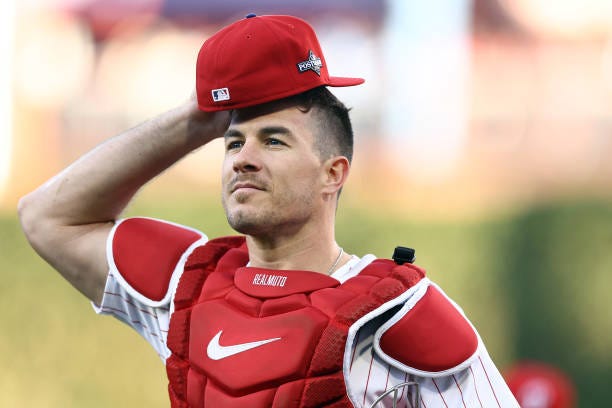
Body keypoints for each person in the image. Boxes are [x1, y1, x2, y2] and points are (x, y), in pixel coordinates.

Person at [18, 13, 519, 408]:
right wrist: (194, 120)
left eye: (273, 140)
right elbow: (46, 218)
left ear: (333, 172)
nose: (243, 158)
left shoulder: (394, 314)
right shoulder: (184, 285)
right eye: (233, 141)